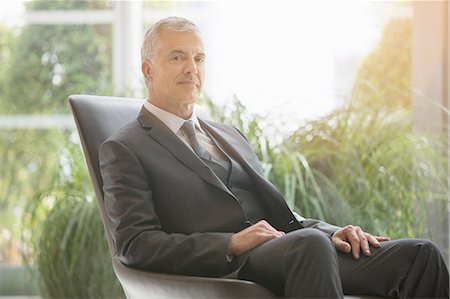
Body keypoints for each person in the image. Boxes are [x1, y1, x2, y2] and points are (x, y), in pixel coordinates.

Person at [99, 16, 449, 298]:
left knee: (420, 255)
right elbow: (135, 245)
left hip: (295, 251)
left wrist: (331, 232)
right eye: (177, 57)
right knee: (309, 247)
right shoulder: (125, 148)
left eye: (199, 58)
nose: (192, 68)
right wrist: (231, 243)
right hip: (231, 266)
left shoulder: (227, 134)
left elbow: (279, 215)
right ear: (147, 70)